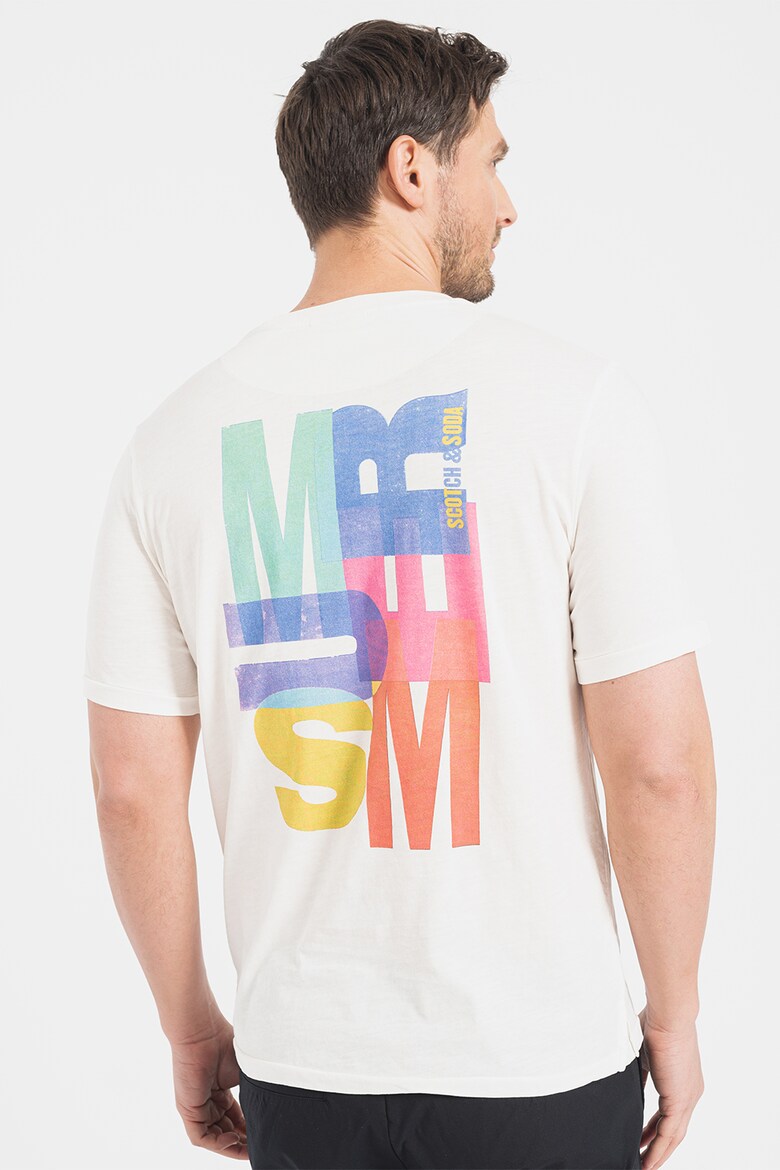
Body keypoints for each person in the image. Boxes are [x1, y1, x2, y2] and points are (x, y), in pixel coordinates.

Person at [83, 18, 716, 1170]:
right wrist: (673, 1013)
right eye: (493, 160)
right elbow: (659, 768)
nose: (509, 205)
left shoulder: (167, 445)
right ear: (412, 168)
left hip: (304, 1070)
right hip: (538, 1065)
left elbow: (132, 791)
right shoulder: (574, 406)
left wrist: (191, 1027)